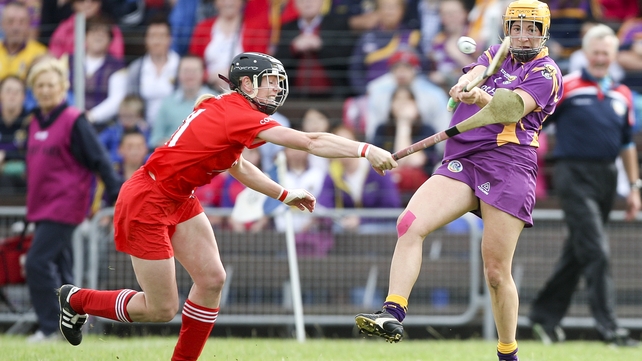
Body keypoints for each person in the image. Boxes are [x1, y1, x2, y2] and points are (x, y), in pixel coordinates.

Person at [56, 52, 397, 360]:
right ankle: (76, 300)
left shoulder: (231, 109)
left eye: (279, 83)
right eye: (270, 84)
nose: (277, 91)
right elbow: (310, 140)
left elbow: (237, 165)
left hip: (179, 197)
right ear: (246, 84)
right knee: (160, 308)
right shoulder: (237, 114)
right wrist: (365, 150)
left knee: (212, 279)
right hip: (147, 200)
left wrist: (282, 193)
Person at [354, 2, 563, 361]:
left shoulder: (547, 72)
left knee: (496, 273)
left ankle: (507, 352)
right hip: (464, 158)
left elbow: (512, 108)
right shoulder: (496, 53)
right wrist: (463, 84)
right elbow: (474, 72)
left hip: (509, 165)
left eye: (531, 28)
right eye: (516, 27)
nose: (523, 35)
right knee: (410, 224)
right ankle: (393, 312)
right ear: (507, 28)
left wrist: (480, 95)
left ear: (543, 32)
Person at [529, 24, 641, 347]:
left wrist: (634, 187)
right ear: (586, 53)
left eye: (607, 52)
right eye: (596, 52)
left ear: (614, 55)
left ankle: (542, 317)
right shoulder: (569, 86)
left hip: (606, 176)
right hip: (572, 174)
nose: (601, 57)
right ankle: (610, 329)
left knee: (579, 252)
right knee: (597, 251)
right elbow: (538, 121)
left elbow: (626, 144)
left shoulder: (622, 94)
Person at [24, 56, 122, 343]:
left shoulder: (73, 120)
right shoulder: (34, 122)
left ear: (63, 86)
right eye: (39, 85)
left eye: (50, 84)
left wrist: (118, 194)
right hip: (41, 206)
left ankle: (49, 327)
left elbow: (100, 160)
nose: (44, 90)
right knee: (62, 270)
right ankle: (69, 328)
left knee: (36, 263)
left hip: (65, 205)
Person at [149, 55, 216, 148]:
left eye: (194, 71)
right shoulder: (167, 103)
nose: (190, 75)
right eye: (186, 71)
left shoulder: (216, 101)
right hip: (173, 157)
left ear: (203, 74)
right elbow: (156, 139)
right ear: (178, 73)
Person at [0, 2, 48, 80]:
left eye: (21, 22)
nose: (16, 27)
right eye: (10, 21)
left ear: (28, 24)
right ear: (2, 24)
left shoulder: (40, 53)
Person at [0, 75, 29, 195]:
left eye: (16, 92)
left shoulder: (31, 121)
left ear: (24, 97)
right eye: (8, 91)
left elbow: (33, 153)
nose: (12, 96)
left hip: (22, 180)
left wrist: (5, 156)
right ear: (0, 94)